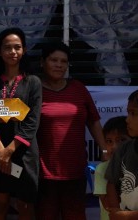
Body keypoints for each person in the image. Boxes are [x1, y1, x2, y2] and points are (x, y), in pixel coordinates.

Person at [36, 42, 107, 220]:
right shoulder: (34, 90)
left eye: (63, 61)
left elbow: (94, 121)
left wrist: (105, 150)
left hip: (75, 172)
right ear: (42, 62)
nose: (59, 65)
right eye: (54, 60)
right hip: (44, 173)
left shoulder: (78, 89)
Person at [0, 27, 42, 220]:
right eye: (7, 47)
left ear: (24, 50)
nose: (13, 52)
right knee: (0, 203)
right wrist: (1, 151)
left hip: (23, 153)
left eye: (17, 47)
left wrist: (10, 150)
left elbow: (32, 121)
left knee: (25, 205)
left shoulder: (33, 82)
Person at [105, 90, 138, 219]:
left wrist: (128, 216)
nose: (127, 119)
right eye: (128, 112)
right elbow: (111, 183)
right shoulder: (124, 149)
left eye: (134, 113)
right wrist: (116, 211)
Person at [94, 116, 130, 220]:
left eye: (121, 140)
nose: (114, 146)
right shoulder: (102, 169)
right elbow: (109, 206)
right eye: (109, 141)